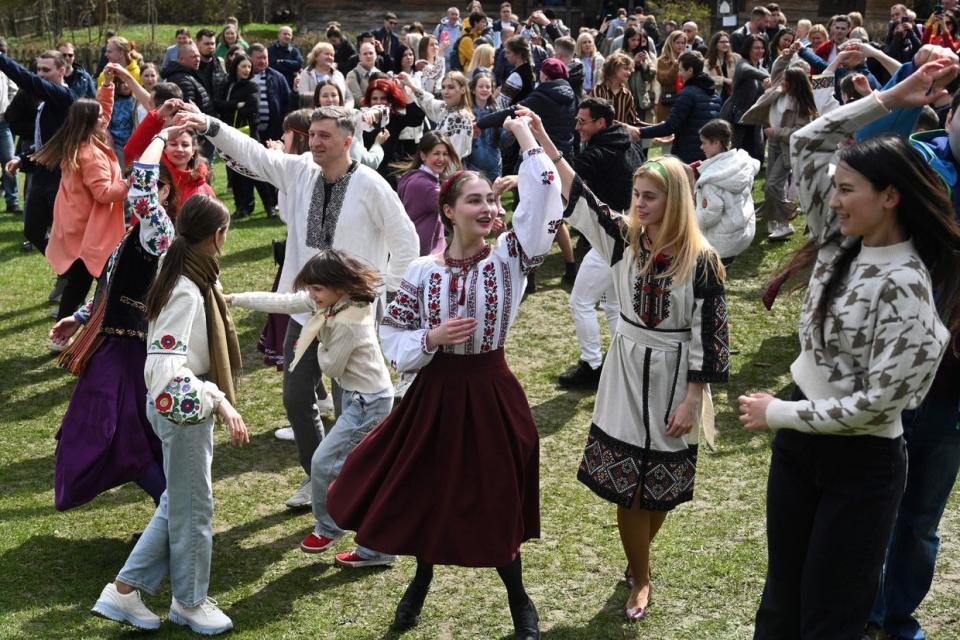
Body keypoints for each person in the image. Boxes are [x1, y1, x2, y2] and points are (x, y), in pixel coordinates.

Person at [739, 60, 960, 640]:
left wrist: (778, 413)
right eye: (833, 188)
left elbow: (877, 406)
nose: (832, 201)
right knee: (781, 603)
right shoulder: (842, 240)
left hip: (860, 463)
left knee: (830, 617)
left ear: (890, 196)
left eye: (846, 190)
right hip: (799, 447)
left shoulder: (908, 285)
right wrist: (892, 99)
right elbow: (810, 137)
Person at [326, 114, 559, 640]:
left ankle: (519, 600)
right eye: (475, 201)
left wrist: (526, 137)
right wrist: (431, 340)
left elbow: (545, 198)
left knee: (495, 494)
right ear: (449, 212)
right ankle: (421, 578)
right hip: (435, 394)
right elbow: (393, 334)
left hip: (491, 389)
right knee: (429, 491)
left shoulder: (510, 259)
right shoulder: (422, 272)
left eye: (492, 201)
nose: (489, 209)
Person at [173, 104, 419, 509]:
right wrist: (211, 126)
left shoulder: (372, 185)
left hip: (352, 319)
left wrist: (383, 295)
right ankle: (316, 476)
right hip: (304, 310)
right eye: (313, 135)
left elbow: (407, 242)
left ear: (346, 140)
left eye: (325, 136)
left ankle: (353, 485)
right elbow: (257, 155)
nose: (316, 142)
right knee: (295, 396)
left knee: (350, 407)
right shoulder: (301, 171)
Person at [543, 108, 729, 622]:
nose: (640, 204)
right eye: (637, 195)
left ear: (675, 201)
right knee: (629, 484)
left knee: (663, 483)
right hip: (626, 371)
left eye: (651, 196)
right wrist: (541, 137)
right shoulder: (624, 239)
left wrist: (695, 397)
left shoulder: (703, 259)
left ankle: (638, 560)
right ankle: (641, 576)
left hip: (674, 376)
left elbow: (710, 335)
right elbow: (580, 199)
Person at [91, 192, 247, 635]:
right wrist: (216, 399)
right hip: (183, 412)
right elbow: (164, 367)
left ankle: (125, 590)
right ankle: (190, 602)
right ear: (217, 237)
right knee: (194, 509)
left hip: (181, 409)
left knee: (177, 500)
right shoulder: (186, 287)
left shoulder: (179, 268)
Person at [229, 249, 398, 566]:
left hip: (368, 403)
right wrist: (235, 299)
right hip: (357, 396)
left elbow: (331, 369)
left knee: (323, 463)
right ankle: (377, 550)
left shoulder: (349, 321)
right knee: (361, 472)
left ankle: (329, 527)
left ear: (339, 286)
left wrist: (316, 338)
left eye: (316, 289)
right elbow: (283, 303)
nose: (311, 296)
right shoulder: (329, 302)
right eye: (310, 289)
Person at [48, 129, 178, 511]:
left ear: (164, 193)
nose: (129, 188)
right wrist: (78, 316)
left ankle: (175, 515)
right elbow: (108, 288)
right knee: (127, 436)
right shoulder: (131, 235)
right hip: (112, 346)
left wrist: (161, 135)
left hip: (127, 352)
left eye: (154, 188)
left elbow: (141, 187)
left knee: (122, 438)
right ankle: (174, 515)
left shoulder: (159, 233)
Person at [557, 96, 643, 390]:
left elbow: (566, 181)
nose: (577, 126)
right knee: (613, 304)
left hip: (613, 238)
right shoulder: (626, 144)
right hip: (630, 235)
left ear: (600, 123)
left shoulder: (599, 154)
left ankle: (592, 365)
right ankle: (627, 360)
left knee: (580, 302)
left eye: (582, 121)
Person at [34, 74, 127, 327]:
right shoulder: (91, 155)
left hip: (75, 223)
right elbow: (104, 193)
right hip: (90, 230)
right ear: (88, 123)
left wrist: (107, 86)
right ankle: (104, 327)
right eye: (98, 117)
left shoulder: (80, 141)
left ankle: (65, 331)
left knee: (81, 282)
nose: (104, 119)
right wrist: (132, 183)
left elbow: (102, 113)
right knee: (107, 280)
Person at [0, 50, 76, 255]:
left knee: (65, 233)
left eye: (46, 70)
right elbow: (47, 142)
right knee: (32, 231)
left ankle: (72, 275)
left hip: (59, 176)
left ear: (62, 71)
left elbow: (28, 81)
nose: (40, 74)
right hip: (41, 173)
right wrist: (22, 159)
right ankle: (66, 271)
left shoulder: (63, 96)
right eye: (38, 70)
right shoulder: (46, 101)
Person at [742, 64, 817, 240]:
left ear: (794, 83)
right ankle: (778, 222)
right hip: (774, 143)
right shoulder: (779, 93)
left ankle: (787, 218)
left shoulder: (800, 104)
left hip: (787, 147)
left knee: (773, 185)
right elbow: (764, 101)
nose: (781, 82)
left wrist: (776, 132)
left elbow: (801, 131)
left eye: (785, 80)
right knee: (772, 184)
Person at [124, 100, 215, 206]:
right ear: (164, 147)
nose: (179, 149)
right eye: (173, 144)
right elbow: (131, 153)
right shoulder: (154, 174)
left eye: (185, 145)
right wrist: (158, 116)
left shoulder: (201, 183)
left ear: (193, 150)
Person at [693, 118, 759, 262]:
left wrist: (689, 222)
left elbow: (709, 215)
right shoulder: (741, 164)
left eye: (704, 143)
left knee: (711, 280)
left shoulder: (711, 179)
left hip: (720, 242)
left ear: (716, 142)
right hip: (740, 233)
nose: (701, 147)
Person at [638, 52, 721, 164]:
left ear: (690, 70)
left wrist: (639, 132)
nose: (679, 74)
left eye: (681, 70)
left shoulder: (687, 93)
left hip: (689, 154)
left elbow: (670, 126)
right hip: (710, 153)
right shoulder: (714, 93)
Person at [396, 131, 462, 256]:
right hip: (424, 255)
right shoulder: (425, 186)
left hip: (413, 250)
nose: (441, 159)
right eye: (436, 153)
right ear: (423, 155)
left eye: (445, 154)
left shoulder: (413, 177)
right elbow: (457, 208)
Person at [214, 54, 261, 219]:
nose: (247, 70)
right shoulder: (226, 84)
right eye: (243, 66)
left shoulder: (252, 86)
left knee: (248, 172)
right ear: (235, 67)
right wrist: (236, 105)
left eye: (249, 67)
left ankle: (251, 205)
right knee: (233, 172)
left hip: (247, 133)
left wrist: (234, 108)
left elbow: (252, 108)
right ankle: (239, 206)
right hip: (228, 133)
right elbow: (217, 104)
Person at [359, 79, 427, 183]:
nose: (378, 102)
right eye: (374, 99)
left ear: (390, 101)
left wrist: (404, 92)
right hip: (366, 172)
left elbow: (416, 118)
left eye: (383, 98)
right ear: (369, 101)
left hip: (389, 173)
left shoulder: (394, 118)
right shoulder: (361, 119)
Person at [400, 70, 474, 161]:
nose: (445, 92)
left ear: (463, 89)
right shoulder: (445, 108)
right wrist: (410, 84)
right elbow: (428, 103)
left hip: (448, 170)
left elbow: (454, 155)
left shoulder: (462, 118)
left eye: (451, 87)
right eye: (443, 87)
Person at [728, 34, 769, 164]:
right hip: (739, 118)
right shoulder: (742, 63)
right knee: (739, 154)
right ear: (748, 49)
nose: (760, 51)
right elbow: (747, 70)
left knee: (755, 154)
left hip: (754, 118)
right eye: (756, 48)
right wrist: (767, 77)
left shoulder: (759, 67)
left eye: (762, 48)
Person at [592, 52, 642, 127]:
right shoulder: (598, 91)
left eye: (630, 70)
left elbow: (633, 121)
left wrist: (656, 127)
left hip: (620, 137)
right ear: (613, 69)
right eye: (625, 69)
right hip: (602, 137)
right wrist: (623, 126)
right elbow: (598, 119)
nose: (629, 73)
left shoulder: (627, 94)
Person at [467, 71, 501, 179]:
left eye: (488, 87)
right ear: (473, 90)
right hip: (472, 166)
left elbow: (503, 141)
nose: (484, 89)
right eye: (481, 86)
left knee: (494, 195)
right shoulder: (467, 112)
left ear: (492, 90)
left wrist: (511, 133)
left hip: (494, 167)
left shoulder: (497, 112)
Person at [298, 42, 352, 110]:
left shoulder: (338, 75)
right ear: (316, 56)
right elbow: (304, 99)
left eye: (332, 55)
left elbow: (349, 98)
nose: (330, 57)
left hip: (339, 115)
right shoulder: (306, 74)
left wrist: (346, 110)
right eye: (327, 54)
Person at [0, 44, 19, 214]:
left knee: (9, 161)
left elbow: (13, 90)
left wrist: (8, 111)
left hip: (2, 124)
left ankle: (12, 201)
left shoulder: (4, 69)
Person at [655, 31, 687, 125]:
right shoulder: (662, 60)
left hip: (684, 100)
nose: (680, 45)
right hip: (668, 102)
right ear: (671, 43)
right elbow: (665, 80)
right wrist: (677, 63)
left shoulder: (687, 59)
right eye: (677, 42)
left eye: (683, 43)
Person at [706, 31, 740, 102]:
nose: (726, 44)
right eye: (722, 42)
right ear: (715, 44)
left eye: (727, 42)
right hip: (717, 96)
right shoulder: (708, 62)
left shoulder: (736, 58)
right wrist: (724, 80)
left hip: (734, 95)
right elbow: (706, 78)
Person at [268, 26, 303, 90]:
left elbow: (299, 65)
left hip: (290, 86)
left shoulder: (294, 51)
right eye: (284, 34)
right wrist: (291, 69)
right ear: (279, 35)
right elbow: (272, 66)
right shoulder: (271, 50)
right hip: (275, 85)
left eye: (289, 35)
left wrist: (282, 61)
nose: (287, 36)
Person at [576, 32, 604, 96]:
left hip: (596, 94)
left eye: (589, 42)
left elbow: (602, 79)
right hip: (581, 95)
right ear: (579, 45)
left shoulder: (599, 60)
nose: (587, 44)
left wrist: (594, 92)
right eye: (584, 42)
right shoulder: (575, 61)